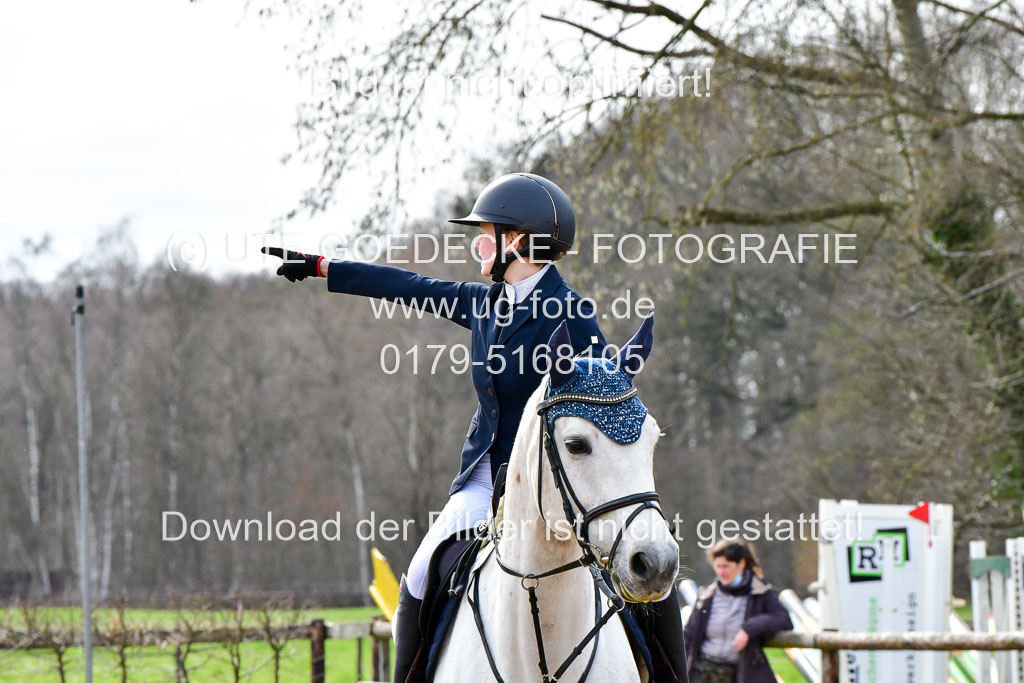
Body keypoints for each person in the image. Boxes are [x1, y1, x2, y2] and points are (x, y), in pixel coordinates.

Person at [263, 172, 688, 682]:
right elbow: (410, 287)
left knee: (655, 587)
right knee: (419, 575)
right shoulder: (485, 303)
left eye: (487, 234)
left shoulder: (573, 314)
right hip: (484, 480)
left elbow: (606, 403)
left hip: (547, 488)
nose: (478, 244)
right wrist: (324, 267)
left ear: (519, 243)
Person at [683, 539, 793, 683]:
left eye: (726, 566)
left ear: (741, 564)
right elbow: (688, 637)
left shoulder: (762, 592)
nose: (721, 572)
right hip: (701, 673)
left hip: (740, 674)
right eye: (718, 566)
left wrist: (749, 628)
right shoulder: (706, 596)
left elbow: (784, 619)